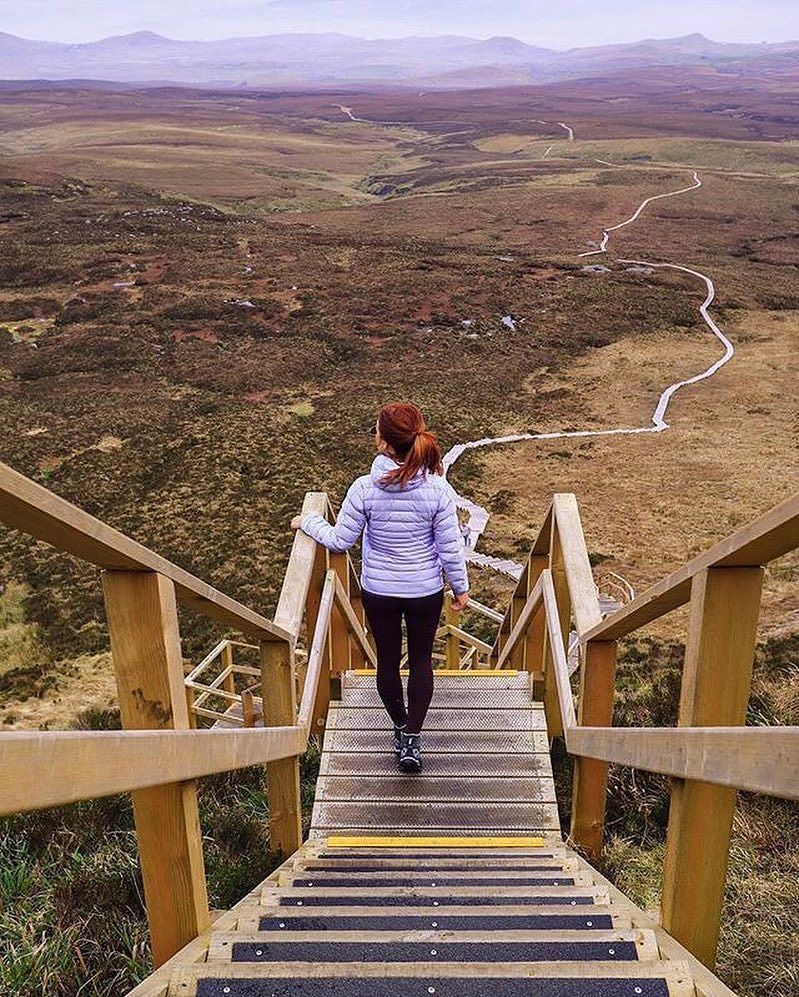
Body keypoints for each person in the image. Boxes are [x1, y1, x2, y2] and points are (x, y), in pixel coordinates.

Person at [291, 402, 469, 773]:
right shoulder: (438, 489)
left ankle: (400, 728)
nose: (374, 435)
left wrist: (308, 522)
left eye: (376, 431)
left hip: (380, 592)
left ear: (386, 443)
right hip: (424, 591)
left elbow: (340, 540)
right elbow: (450, 547)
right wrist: (460, 588)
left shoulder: (363, 489)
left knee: (387, 660)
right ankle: (413, 741)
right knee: (421, 660)